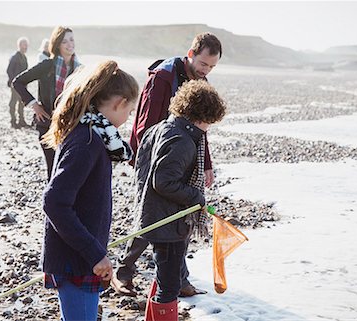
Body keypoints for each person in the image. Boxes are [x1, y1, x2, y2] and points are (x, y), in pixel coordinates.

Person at [111, 32, 222, 297]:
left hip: (181, 151)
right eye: (203, 64)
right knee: (151, 214)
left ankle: (179, 278)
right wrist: (148, 160)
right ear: (191, 54)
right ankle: (123, 272)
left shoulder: (200, 80)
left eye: (212, 67)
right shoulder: (163, 77)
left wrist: (205, 163)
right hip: (154, 153)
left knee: (179, 214)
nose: (206, 71)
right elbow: (145, 124)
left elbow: (200, 128)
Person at [40, 60, 139, 321]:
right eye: (129, 111)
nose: (128, 118)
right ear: (118, 103)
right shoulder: (88, 141)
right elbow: (54, 202)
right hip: (76, 258)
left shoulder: (91, 134)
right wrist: (95, 254)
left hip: (79, 253)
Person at [136, 80, 226, 320]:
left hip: (157, 216)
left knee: (164, 275)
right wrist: (196, 197)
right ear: (200, 116)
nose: (208, 128)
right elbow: (162, 181)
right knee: (169, 285)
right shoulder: (182, 141)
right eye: (209, 122)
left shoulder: (162, 128)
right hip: (167, 223)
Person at [13, 26, 81, 180]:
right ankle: (51, 201)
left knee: (67, 168)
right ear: (57, 45)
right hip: (47, 124)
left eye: (71, 39)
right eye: (64, 41)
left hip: (69, 126)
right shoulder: (47, 65)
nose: (70, 44)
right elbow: (18, 82)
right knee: (53, 169)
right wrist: (34, 104)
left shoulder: (79, 69)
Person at [6, 37, 29, 128]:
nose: (26, 47)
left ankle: (21, 121)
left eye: (26, 45)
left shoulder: (24, 57)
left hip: (23, 84)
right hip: (15, 84)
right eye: (24, 45)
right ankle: (13, 121)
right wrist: (13, 82)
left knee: (22, 102)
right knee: (13, 102)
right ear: (19, 45)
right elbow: (9, 70)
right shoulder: (14, 57)